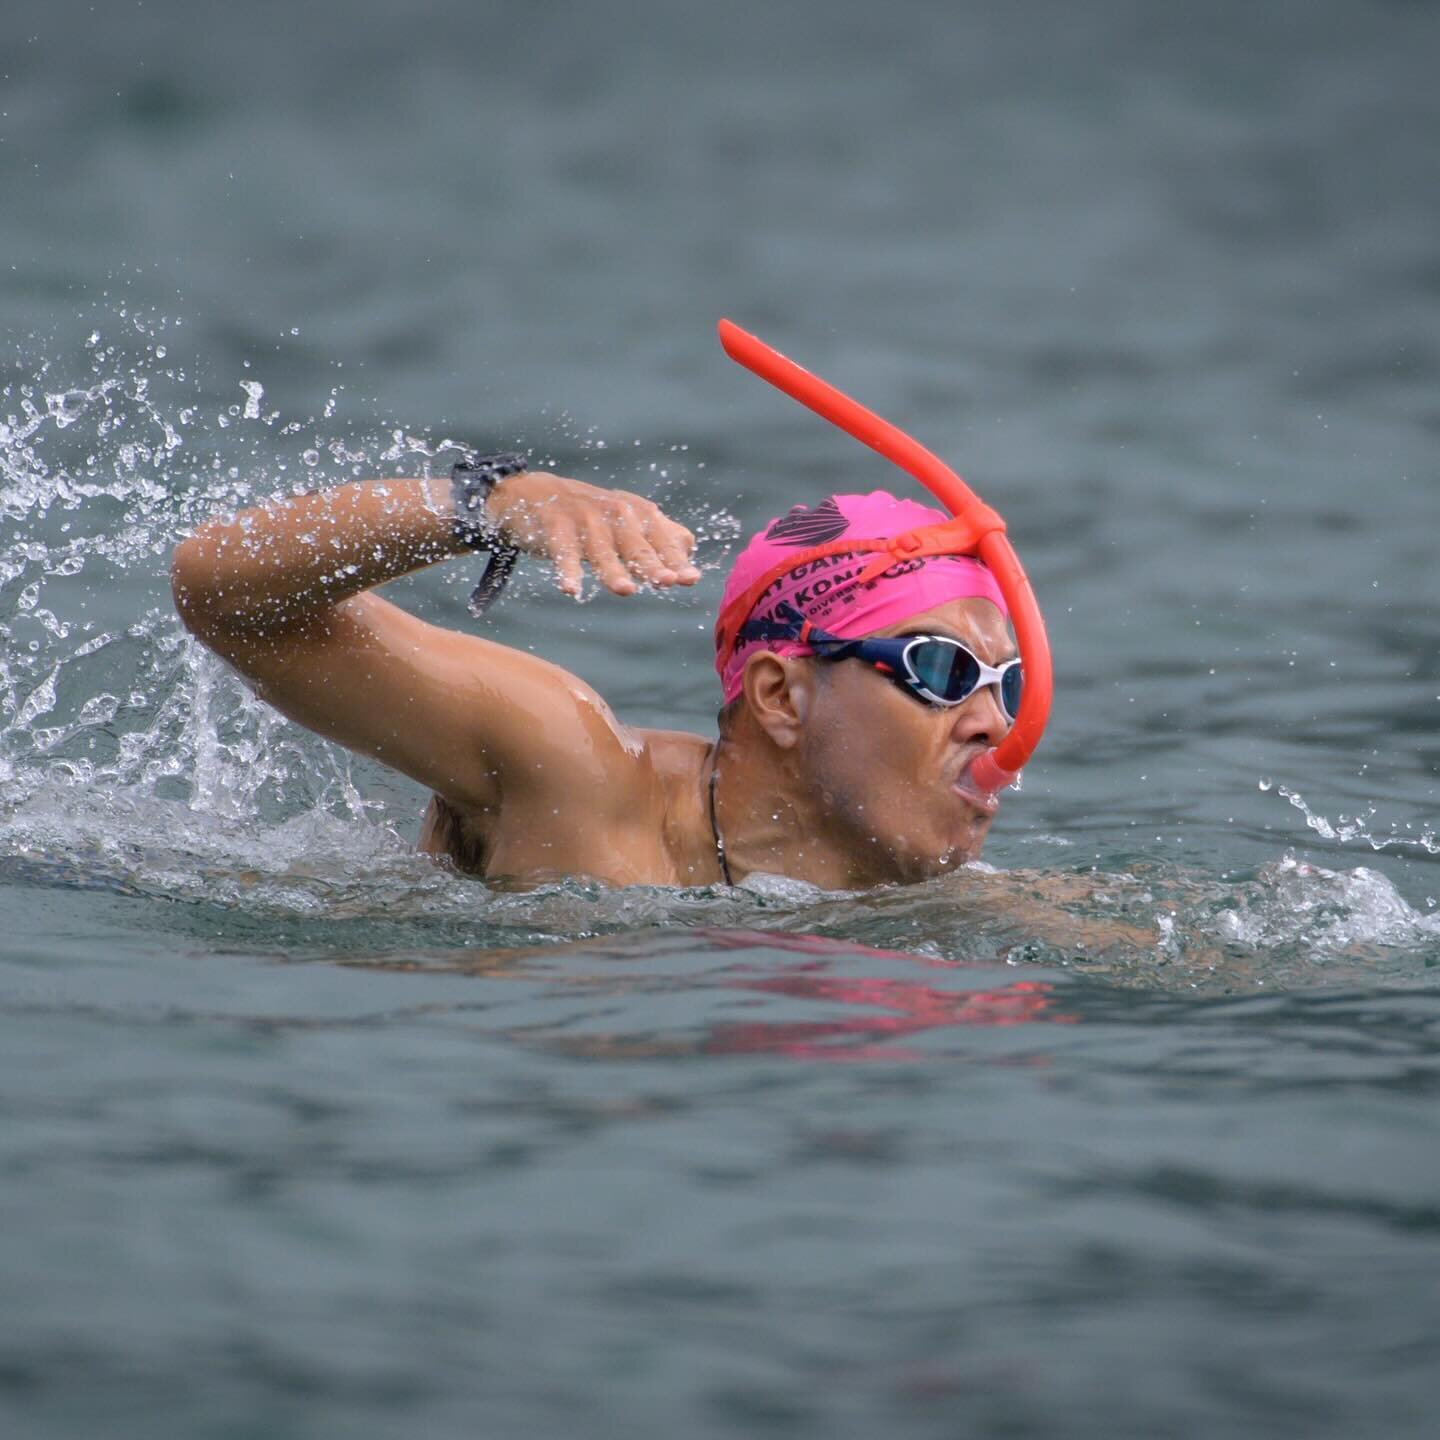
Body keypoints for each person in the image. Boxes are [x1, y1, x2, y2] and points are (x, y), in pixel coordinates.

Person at [170, 464, 1022, 889]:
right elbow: (222, 591)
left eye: (1007, 683)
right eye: (940, 669)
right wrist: (486, 505)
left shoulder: (933, 903)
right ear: (779, 697)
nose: (995, 723)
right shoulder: (572, 767)